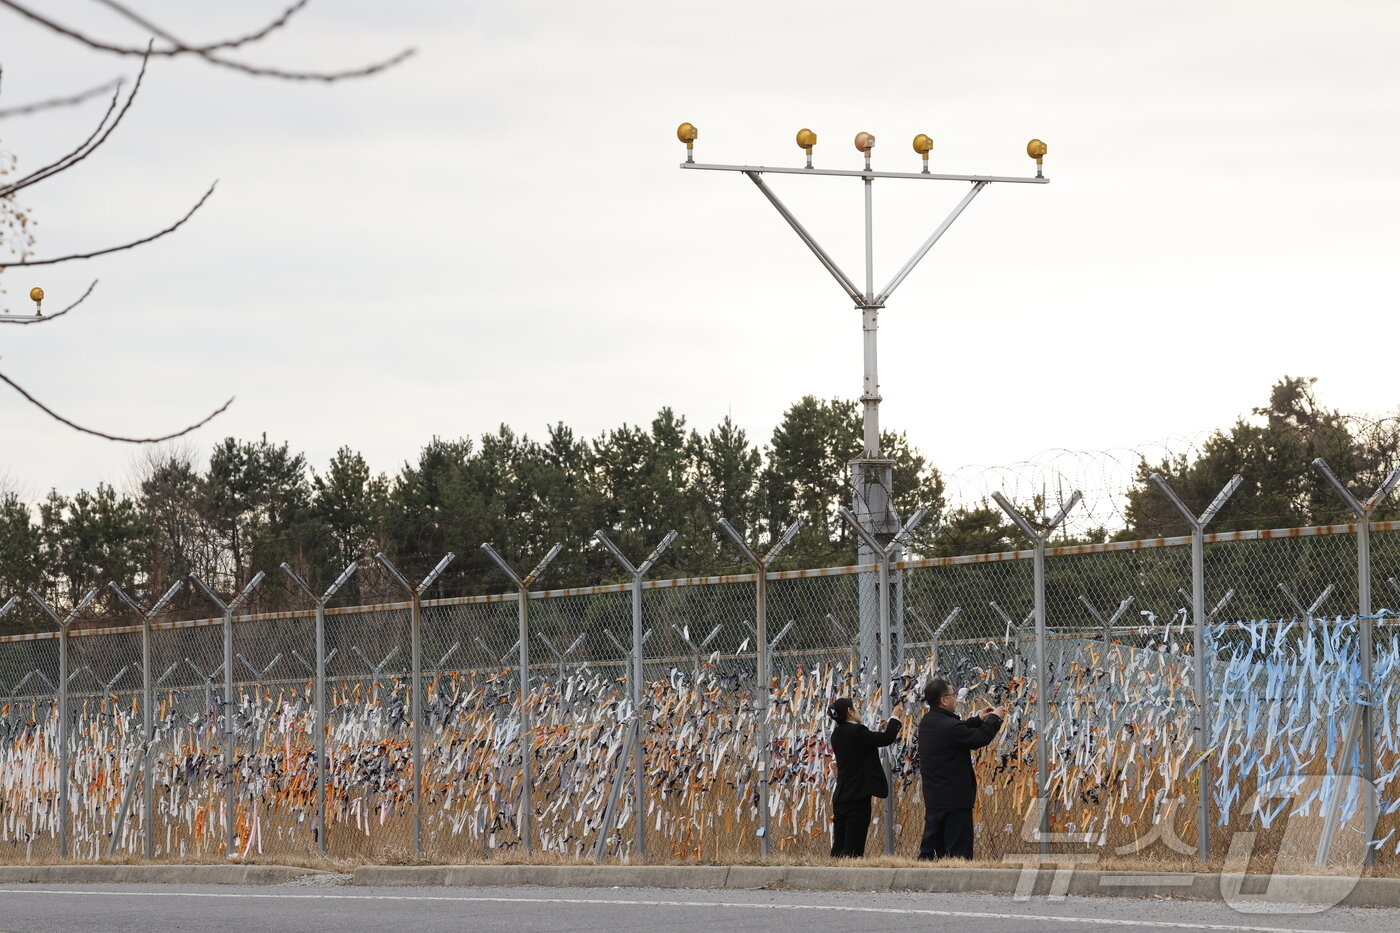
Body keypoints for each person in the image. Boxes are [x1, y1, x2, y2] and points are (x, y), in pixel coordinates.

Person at [916, 678, 1005, 860]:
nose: (955, 699)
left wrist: (978, 719)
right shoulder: (949, 726)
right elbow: (979, 738)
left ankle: (926, 875)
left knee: (933, 846)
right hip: (955, 798)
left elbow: (957, 730)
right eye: (952, 695)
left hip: (934, 795)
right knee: (958, 850)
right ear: (943, 700)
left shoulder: (928, 721)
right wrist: (995, 718)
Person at [827, 696, 902, 858]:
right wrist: (895, 717)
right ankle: (851, 873)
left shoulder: (837, 734)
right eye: (855, 707)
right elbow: (887, 739)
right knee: (854, 845)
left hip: (842, 795)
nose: (858, 710)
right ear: (849, 711)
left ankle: (834, 872)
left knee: (839, 844)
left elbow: (861, 746)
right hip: (857, 796)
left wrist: (877, 731)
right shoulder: (858, 732)